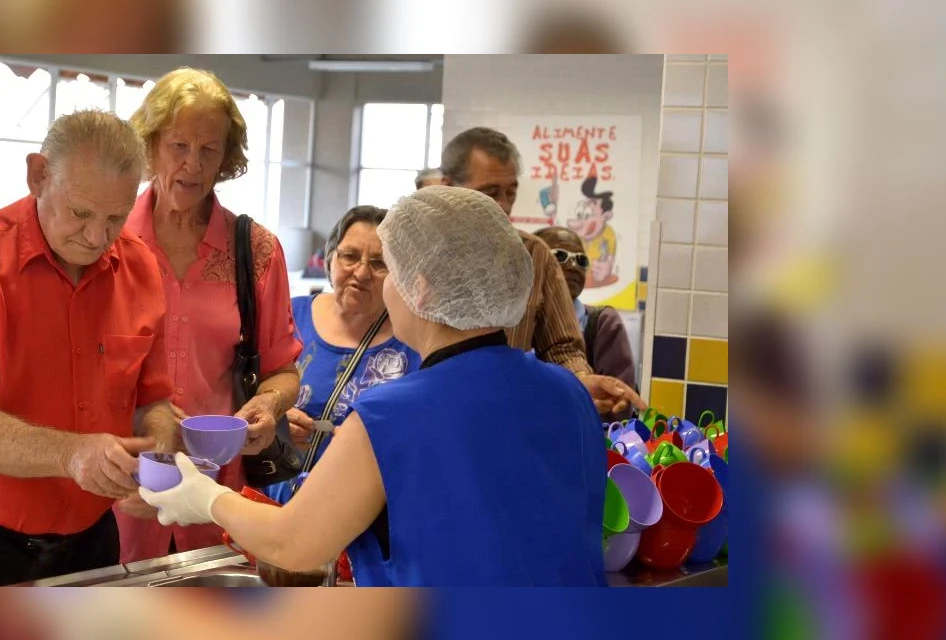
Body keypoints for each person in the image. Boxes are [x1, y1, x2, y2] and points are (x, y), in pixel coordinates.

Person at [142, 187, 608, 587]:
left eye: (391, 270)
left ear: (418, 289)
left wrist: (204, 497)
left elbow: (294, 542)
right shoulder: (567, 392)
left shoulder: (393, 414)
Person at [0, 109, 180, 586]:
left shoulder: (142, 267)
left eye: (115, 218)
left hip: (90, 538)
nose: (97, 237)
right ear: (38, 176)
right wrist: (71, 455)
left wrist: (159, 458)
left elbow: (154, 401)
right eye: (81, 213)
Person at [112, 67, 303, 562]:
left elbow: (283, 369)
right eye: (178, 145)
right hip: (115, 489)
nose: (192, 165)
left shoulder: (256, 250)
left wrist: (269, 407)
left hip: (217, 496)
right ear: (150, 144)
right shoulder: (105, 240)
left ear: (227, 159)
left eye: (208, 150)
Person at [440, 126, 644, 416]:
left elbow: (562, 349)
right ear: (448, 188)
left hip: (504, 418)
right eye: (489, 193)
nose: (503, 206)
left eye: (510, 193)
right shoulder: (414, 252)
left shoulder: (534, 256)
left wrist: (582, 382)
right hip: (426, 416)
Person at [262, 206, 421, 504]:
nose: (361, 273)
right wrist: (274, 419)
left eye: (379, 263)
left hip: (356, 520)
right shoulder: (288, 315)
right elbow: (240, 397)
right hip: (268, 501)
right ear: (330, 257)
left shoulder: (411, 342)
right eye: (349, 256)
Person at [536, 226, 638, 409]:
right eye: (560, 256)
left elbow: (618, 408)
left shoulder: (602, 323)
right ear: (532, 263)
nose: (573, 266)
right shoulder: (513, 322)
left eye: (581, 260)